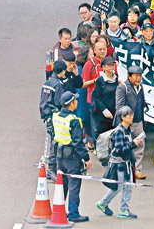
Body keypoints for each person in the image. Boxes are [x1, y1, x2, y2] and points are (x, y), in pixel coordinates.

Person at [96, 105, 144, 219]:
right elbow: (119, 150)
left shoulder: (126, 130)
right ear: (123, 117)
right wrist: (133, 144)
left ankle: (120, 208)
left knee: (126, 186)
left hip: (125, 163)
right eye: (129, 115)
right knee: (120, 186)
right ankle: (111, 206)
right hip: (120, 164)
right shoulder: (119, 132)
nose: (131, 117)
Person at [52, 91, 92, 223]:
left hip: (59, 156)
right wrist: (86, 158)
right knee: (74, 185)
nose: (77, 102)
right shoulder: (73, 120)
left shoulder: (56, 116)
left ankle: (59, 209)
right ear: (71, 104)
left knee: (62, 184)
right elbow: (78, 142)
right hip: (72, 158)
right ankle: (73, 213)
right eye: (75, 100)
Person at [115, 65, 147, 179]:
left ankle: (137, 170)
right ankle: (123, 170)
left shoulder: (141, 86)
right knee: (125, 146)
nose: (139, 78)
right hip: (126, 123)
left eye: (140, 76)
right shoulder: (123, 88)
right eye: (136, 76)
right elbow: (119, 107)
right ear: (129, 76)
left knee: (139, 145)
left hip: (138, 121)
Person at [39, 60, 68, 182]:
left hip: (46, 115)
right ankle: (52, 168)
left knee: (53, 140)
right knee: (55, 142)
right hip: (54, 115)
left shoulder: (48, 82)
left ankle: (53, 168)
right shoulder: (58, 85)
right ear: (62, 71)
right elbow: (59, 102)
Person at [91, 56, 118, 142]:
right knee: (104, 136)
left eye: (112, 65)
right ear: (103, 67)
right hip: (104, 115)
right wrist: (105, 111)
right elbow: (97, 98)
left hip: (115, 112)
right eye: (109, 65)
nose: (111, 67)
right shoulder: (100, 80)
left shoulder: (116, 77)